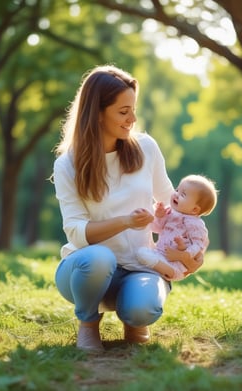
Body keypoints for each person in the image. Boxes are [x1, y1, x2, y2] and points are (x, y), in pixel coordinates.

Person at [52, 64, 203, 352]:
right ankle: (88, 323)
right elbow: (76, 232)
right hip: (84, 272)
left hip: (139, 266)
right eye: (123, 111)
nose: (133, 118)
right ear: (97, 113)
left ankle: (134, 317)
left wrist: (192, 252)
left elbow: (173, 206)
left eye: (133, 109)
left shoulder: (146, 148)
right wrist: (125, 221)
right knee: (99, 258)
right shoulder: (67, 165)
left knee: (142, 309)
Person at [137, 174, 217, 281]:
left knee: (144, 256)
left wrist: (183, 254)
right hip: (160, 253)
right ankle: (154, 267)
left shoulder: (196, 224)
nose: (176, 195)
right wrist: (159, 216)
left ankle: (169, 272)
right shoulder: (170, 212)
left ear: (195, 210)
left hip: (176, 263)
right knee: (142, 253)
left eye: (183, 195)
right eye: (177, 189)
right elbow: (157, 229)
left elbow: (199, 244)